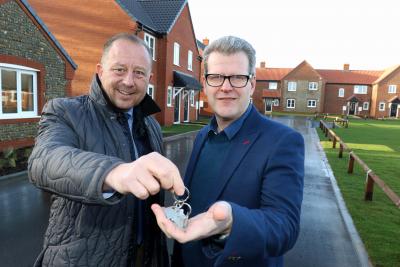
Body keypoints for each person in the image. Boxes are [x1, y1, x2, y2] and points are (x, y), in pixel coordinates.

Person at [28, 33, 184, 266]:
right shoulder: (65, 111)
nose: (129, 81)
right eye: (119, 70)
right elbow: (43, 161)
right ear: (100, 71)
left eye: (139, 73)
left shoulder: (151, 124)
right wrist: (114, 172)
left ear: (149, 78)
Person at [151, 36, 305, 266]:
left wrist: (231, 223)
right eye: (216, 77)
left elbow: (284, 228)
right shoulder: (204, 135)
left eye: (237, 78)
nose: (225, 87)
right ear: (205, 83)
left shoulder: (282, 141)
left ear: (252, 84)